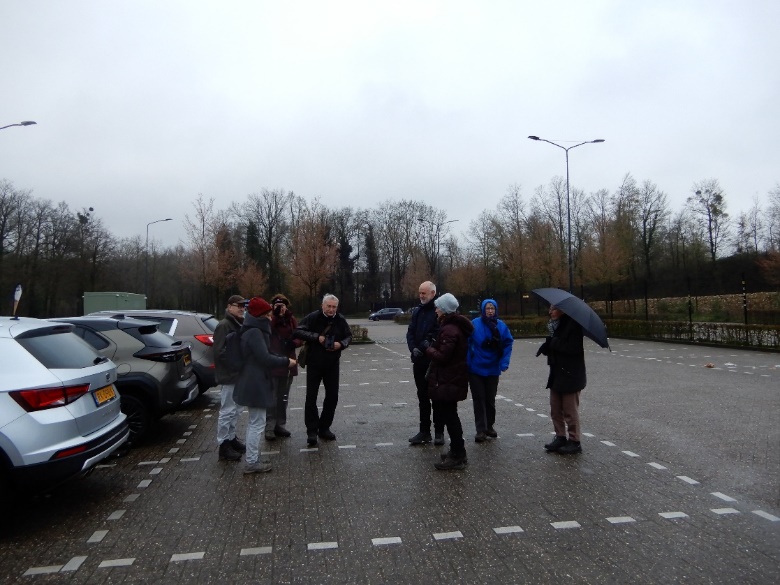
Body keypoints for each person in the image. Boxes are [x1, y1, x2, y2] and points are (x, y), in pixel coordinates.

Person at [233, 297, 296, 474]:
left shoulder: (252, 329)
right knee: (256, 423)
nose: (270, 318)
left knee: (256, 421)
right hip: (256, 382)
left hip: (253, 380)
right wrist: (286, 361)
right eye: (267, 314)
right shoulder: (255, 332)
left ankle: (253, 459)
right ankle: (252, 462)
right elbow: (265, 358)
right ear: (259, 315)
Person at [294, 293, 352, 447]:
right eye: (329, 306)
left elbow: (349, 336)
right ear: (323, 305)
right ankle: (311, 431)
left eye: (334, 307)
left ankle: (324, 427)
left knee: (332, 396)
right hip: (314, 363)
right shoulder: (313, 317)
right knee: (311, 397)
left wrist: (342, 344)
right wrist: (316, 337)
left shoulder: (340, 319)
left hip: (333, 364)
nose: (331, 309)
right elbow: (298, 331)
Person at [425, 293, 474, 470]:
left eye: (438, 307)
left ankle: (459, 454)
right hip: (452, 378)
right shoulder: (452, 327)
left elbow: (444, 356)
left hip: (449, 379)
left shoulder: (450, 330)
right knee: (450, 415)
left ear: (445, 310)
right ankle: (456, 450)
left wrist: (428, 349)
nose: (436, 310)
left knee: (450, 417)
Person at [536, 304, 586, 455]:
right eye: (550, 308)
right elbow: (556, 346)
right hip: (557, 373)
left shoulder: (573, 325)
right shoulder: (554, 327)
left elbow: (573, 348)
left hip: (570, 374)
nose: (550, 311)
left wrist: (553, 344)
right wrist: (547, 347)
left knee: (570, 410)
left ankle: (575, 441)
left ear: (563, 310)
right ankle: (560, 436)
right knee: (555, 408)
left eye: (554, 309)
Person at [467, 298, 514, 442]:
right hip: (476, 368)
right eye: (487, 308)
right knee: (479, 399)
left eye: (492, 308)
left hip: (493, 367)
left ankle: (490, 426)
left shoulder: (501, 326)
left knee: (490, 399)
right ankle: (480, 429)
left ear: (496, 310)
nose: (489, 311)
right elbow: (467, 343)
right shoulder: (474, 324)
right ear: (482, 310)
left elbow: (508, 343)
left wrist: (504, 362)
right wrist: (468, 362)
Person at [406, 281, 443, 446]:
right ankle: (424, 431)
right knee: (422, 397)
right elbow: (410, 332)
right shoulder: (417, 311)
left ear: (433, 294)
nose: (421, 296)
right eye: (420, 293)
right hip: (419, 361)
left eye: (424, 293)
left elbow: (436, 333)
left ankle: (439, 432)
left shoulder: (438, 311)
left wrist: (422, 347)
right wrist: (413, 348)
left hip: (433, 362)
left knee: (436, 397)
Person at [212, 294, 248, 462]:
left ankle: (231, 438)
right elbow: (220, 352)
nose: (241, 308)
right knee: (227, 411)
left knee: (236, 410)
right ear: (229, 307)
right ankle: (223, 445)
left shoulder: (239, 324)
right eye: (238, 305)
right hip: (230, 376)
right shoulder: (224, 326)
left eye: (243, 305)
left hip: (239, 375)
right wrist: (236, 365)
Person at [266, 293, 300, 440]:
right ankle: (269, 427)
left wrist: (294, 343)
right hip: (273, 362)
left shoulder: (291, 320)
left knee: (283, 397)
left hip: (289, 362)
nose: (281, 308)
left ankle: (280, 425)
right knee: (272, 397)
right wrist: (275, 316)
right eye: (277, 305)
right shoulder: (269, 320)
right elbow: (266, 333)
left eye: (283, 305)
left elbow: (300, 335)